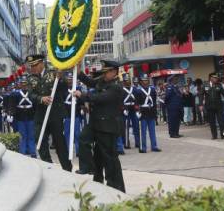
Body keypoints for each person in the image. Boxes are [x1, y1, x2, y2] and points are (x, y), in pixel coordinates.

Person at [74, 60, 125, 193]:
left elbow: (100, 98)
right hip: (96, 124)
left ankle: (115, 186)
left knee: (109, 158)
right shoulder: (103, 81)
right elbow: (90, 82)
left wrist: (83, 96)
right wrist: (79, 72)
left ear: (114, 72)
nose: (103, 74)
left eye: (106, 72)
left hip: (108, 127)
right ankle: (88, 168)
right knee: (84, 139)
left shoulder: (116, 87)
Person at [26, 54, 72, 172]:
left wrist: (60, 79)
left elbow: (64, 89)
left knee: (59, 142)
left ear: (42, 63)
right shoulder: (31, 78)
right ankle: (48, 166)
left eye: (35, 65)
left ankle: (67, 168)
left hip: (55, 113)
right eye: (31, 66)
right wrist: (41, 99)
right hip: (40, 114)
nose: (33, 68)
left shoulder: (54, 73)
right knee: (39, 140)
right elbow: (31, 95)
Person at [9, 75, 36, 157]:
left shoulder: (32, 93)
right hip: (20, 117)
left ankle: (32, 152)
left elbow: (35, 105)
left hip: (30, 116)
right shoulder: (15, 94)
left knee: (31, 135)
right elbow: (12, 105)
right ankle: (23, 153)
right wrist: (10, 114)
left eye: (25, 83)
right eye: (22, 83)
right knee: (23, 136)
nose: (24, 85)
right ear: (20, 84)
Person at [136, 74, 161, 153]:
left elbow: (154, 101)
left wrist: (155, 112)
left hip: (151, 112)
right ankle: (143, 148)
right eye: (144, 81)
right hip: (143, 112)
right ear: (141, 82)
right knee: (143, 131)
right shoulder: (138, 91)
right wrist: (137, 112)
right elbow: (136, 103)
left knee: (152, 131)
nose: (145, 82)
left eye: (146, 80)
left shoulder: (152, 90)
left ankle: (154, 146)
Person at [203, 73, 224, 139]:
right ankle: (214, 135)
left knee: (221, 121)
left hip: (218, 106)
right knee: (212, 122)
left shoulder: (219, 85)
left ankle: (222, 134)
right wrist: (201, 104)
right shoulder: (205, 85)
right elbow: (201, 94)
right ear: (211, 78)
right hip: (209, 106)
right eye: (215, 78)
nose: (216, 79)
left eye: (216, 78)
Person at [63, 72, 83, 156]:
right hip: (66, 114)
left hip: (76, 113)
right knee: (66, 133)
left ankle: (78, 151)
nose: (70, 81)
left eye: (71, 79)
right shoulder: (63, 89)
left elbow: (81, 99)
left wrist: (82, 107)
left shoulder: (78, 88)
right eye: (68, 79)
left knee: (77, 134)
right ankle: (67, 150)